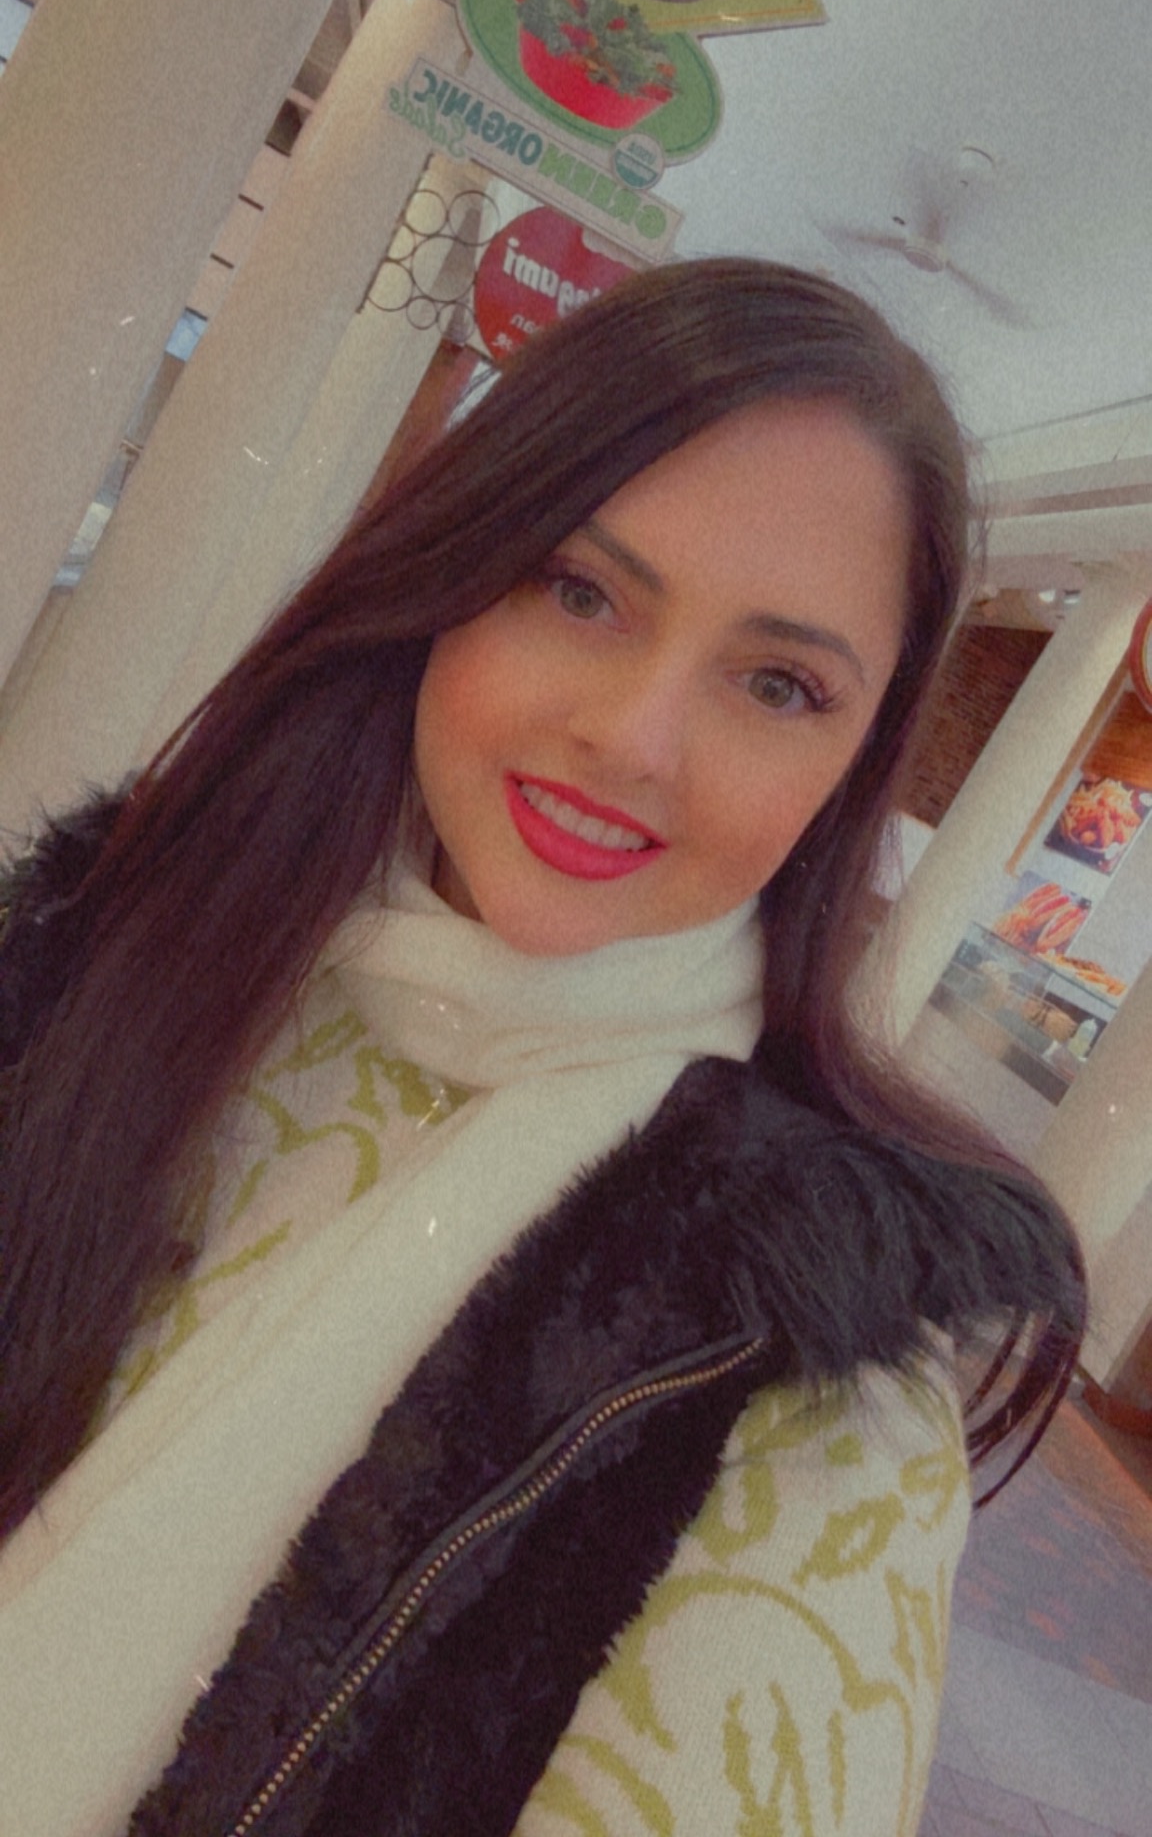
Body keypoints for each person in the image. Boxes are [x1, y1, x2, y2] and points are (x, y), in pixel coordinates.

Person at [0, 259, 1083, 1836]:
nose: (633, 738)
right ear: (451, 572)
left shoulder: (798, 1369)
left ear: (851, 769)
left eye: (777, 684)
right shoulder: (97, 952)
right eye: (581, 592)